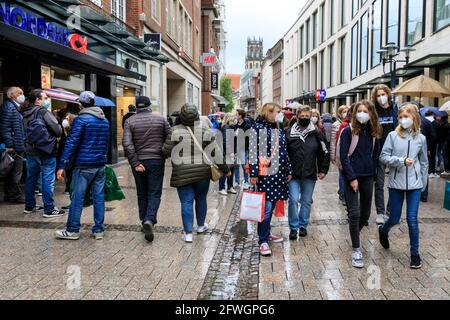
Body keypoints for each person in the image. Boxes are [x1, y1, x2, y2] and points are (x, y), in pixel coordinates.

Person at [162, 104, 230, 243]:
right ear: (196, 116)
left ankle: (188, 233)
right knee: (201, 198)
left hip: (182, 173)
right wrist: (225, 169)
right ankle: (200, 226)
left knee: (186, 202)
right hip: (202, 173)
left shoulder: (174, 131)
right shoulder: (205, 130)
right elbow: (216, 152)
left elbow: (166, 152)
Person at [378, 104, 428, 269]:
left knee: (412, 220)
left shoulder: (421, 138)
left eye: (406, 116)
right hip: (396, 183)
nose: (403, 119)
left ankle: (415, 255)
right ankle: (383, 231)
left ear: (414, 118)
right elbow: (383, 157)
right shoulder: (392, 135)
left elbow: (424, 162)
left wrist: (423, 183)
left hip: (414, 184)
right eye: (401, 117)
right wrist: (400, 161)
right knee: (394, 218)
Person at [55, 91, 110, 240]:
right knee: (98, 198)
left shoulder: (81, 120)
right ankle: (98, 230)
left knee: (77, 198)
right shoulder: (104, 120)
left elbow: (71, 144)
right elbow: (106, 144)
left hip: (84, 165)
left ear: (80, 104)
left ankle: (72, 230)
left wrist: (62, 165)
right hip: (100, 164)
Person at [122, 96, 170, 242]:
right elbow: (171, 138)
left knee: (142, 193)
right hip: (156, 161)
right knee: (154, 193)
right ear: (150, 106)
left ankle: (144, 220)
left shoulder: (130, 121)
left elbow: (126, 143)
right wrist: (163, 152)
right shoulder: (161, 119)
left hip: (140, 162)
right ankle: (149, 219)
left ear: (136, 107)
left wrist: (135, 163)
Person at [340, 100, 381, 268]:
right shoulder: (347, 131)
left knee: (365, 215)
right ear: (355, 113)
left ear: (371, 114)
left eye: (366, 111)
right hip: (352, 176)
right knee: (355, 214)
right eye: (360, 111)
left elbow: (376, 156)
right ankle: (356, 249)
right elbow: (344, 157)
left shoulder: (374, 132)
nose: (362, 114)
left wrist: (376, 176)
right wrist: (351, 178)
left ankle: (354, 233)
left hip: (368, 176)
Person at [249, 103, 292, 257]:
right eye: (278, 112)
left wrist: (288, 169)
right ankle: (263, 241)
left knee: (271, 206)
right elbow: (253, 152)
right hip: (265, 175)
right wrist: (254, 174)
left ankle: (266, 233)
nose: (281, 114)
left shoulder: (278, 128)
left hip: (279, 174)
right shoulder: (257, 128)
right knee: (266, 209)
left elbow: (284, 151)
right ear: (269, 112)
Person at [287, 105, 330, 240]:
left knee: (305, 201)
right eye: (302, 116)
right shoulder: (289, 132)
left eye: (307, 116)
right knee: (293, 200)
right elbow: (284, 154)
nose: (305, 118)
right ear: (297, 116)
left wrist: (323, 169)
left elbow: (324, 151)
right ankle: (293, 227)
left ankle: (303, 225)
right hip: (292, 174)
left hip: (310, 173)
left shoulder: (317, 133)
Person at [22, 89, 64, 218]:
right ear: (37, 100)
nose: (47, 100)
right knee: (47, 178)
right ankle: (49, 209)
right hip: (46, 150)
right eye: (45, 98)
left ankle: (29, 206)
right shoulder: (43, 112)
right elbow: (57, 130)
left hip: (30, 150)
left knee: (31, 178)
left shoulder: (25, 112)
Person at [372, 84, 398, 224]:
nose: (381, 97)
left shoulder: (395, 109)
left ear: (388, 94)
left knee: (394, 183)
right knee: (379, 184)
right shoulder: (374, 111)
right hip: (379, 151)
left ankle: (390, 210)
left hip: (394, 151)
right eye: (378, 95)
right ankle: (380, 212)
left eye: (383, 94)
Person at [0, 87, 26, 203]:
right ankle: (13, 196)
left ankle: (10, 195)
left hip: (17, 144)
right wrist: (9, 144)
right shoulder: (9, 107)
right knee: (14, 172)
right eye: (19, 93)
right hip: (13, 146)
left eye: (22, 93)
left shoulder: (14, 107)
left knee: (13, 171)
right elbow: (5, 127)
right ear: (11, 95)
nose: (22, 95)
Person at [330, 105, 350, 204]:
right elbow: (333, 141)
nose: (345, 113)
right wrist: (333, 156)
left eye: (347, 111)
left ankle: (343, 191)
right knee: (342, 174)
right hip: (339, 152)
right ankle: (342, 193)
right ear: (340, 113)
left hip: (348, 152)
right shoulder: (336, 124)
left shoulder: (351, 123)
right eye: (344, 111)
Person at [218, 114, 238, 195]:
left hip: (232, 152)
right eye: (234, 118)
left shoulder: (232, 127)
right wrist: (230, 153)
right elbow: (226, 142)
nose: (235, 119)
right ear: (230, 119)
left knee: (231, 170)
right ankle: (221, 188)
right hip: (227, 153)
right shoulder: (227, 127)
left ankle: (230, 187)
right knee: (225, 170)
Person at [235, 109, 252, 190]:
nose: (235, 116)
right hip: (236, 149)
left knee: (244, 166)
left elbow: (249, 139)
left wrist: (245, 146)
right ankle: (237, 182)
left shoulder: (247, 126)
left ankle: (246, 182)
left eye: (237, 114)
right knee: (236, 166)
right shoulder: (236, 125)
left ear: (240, 116)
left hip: (243, 149)